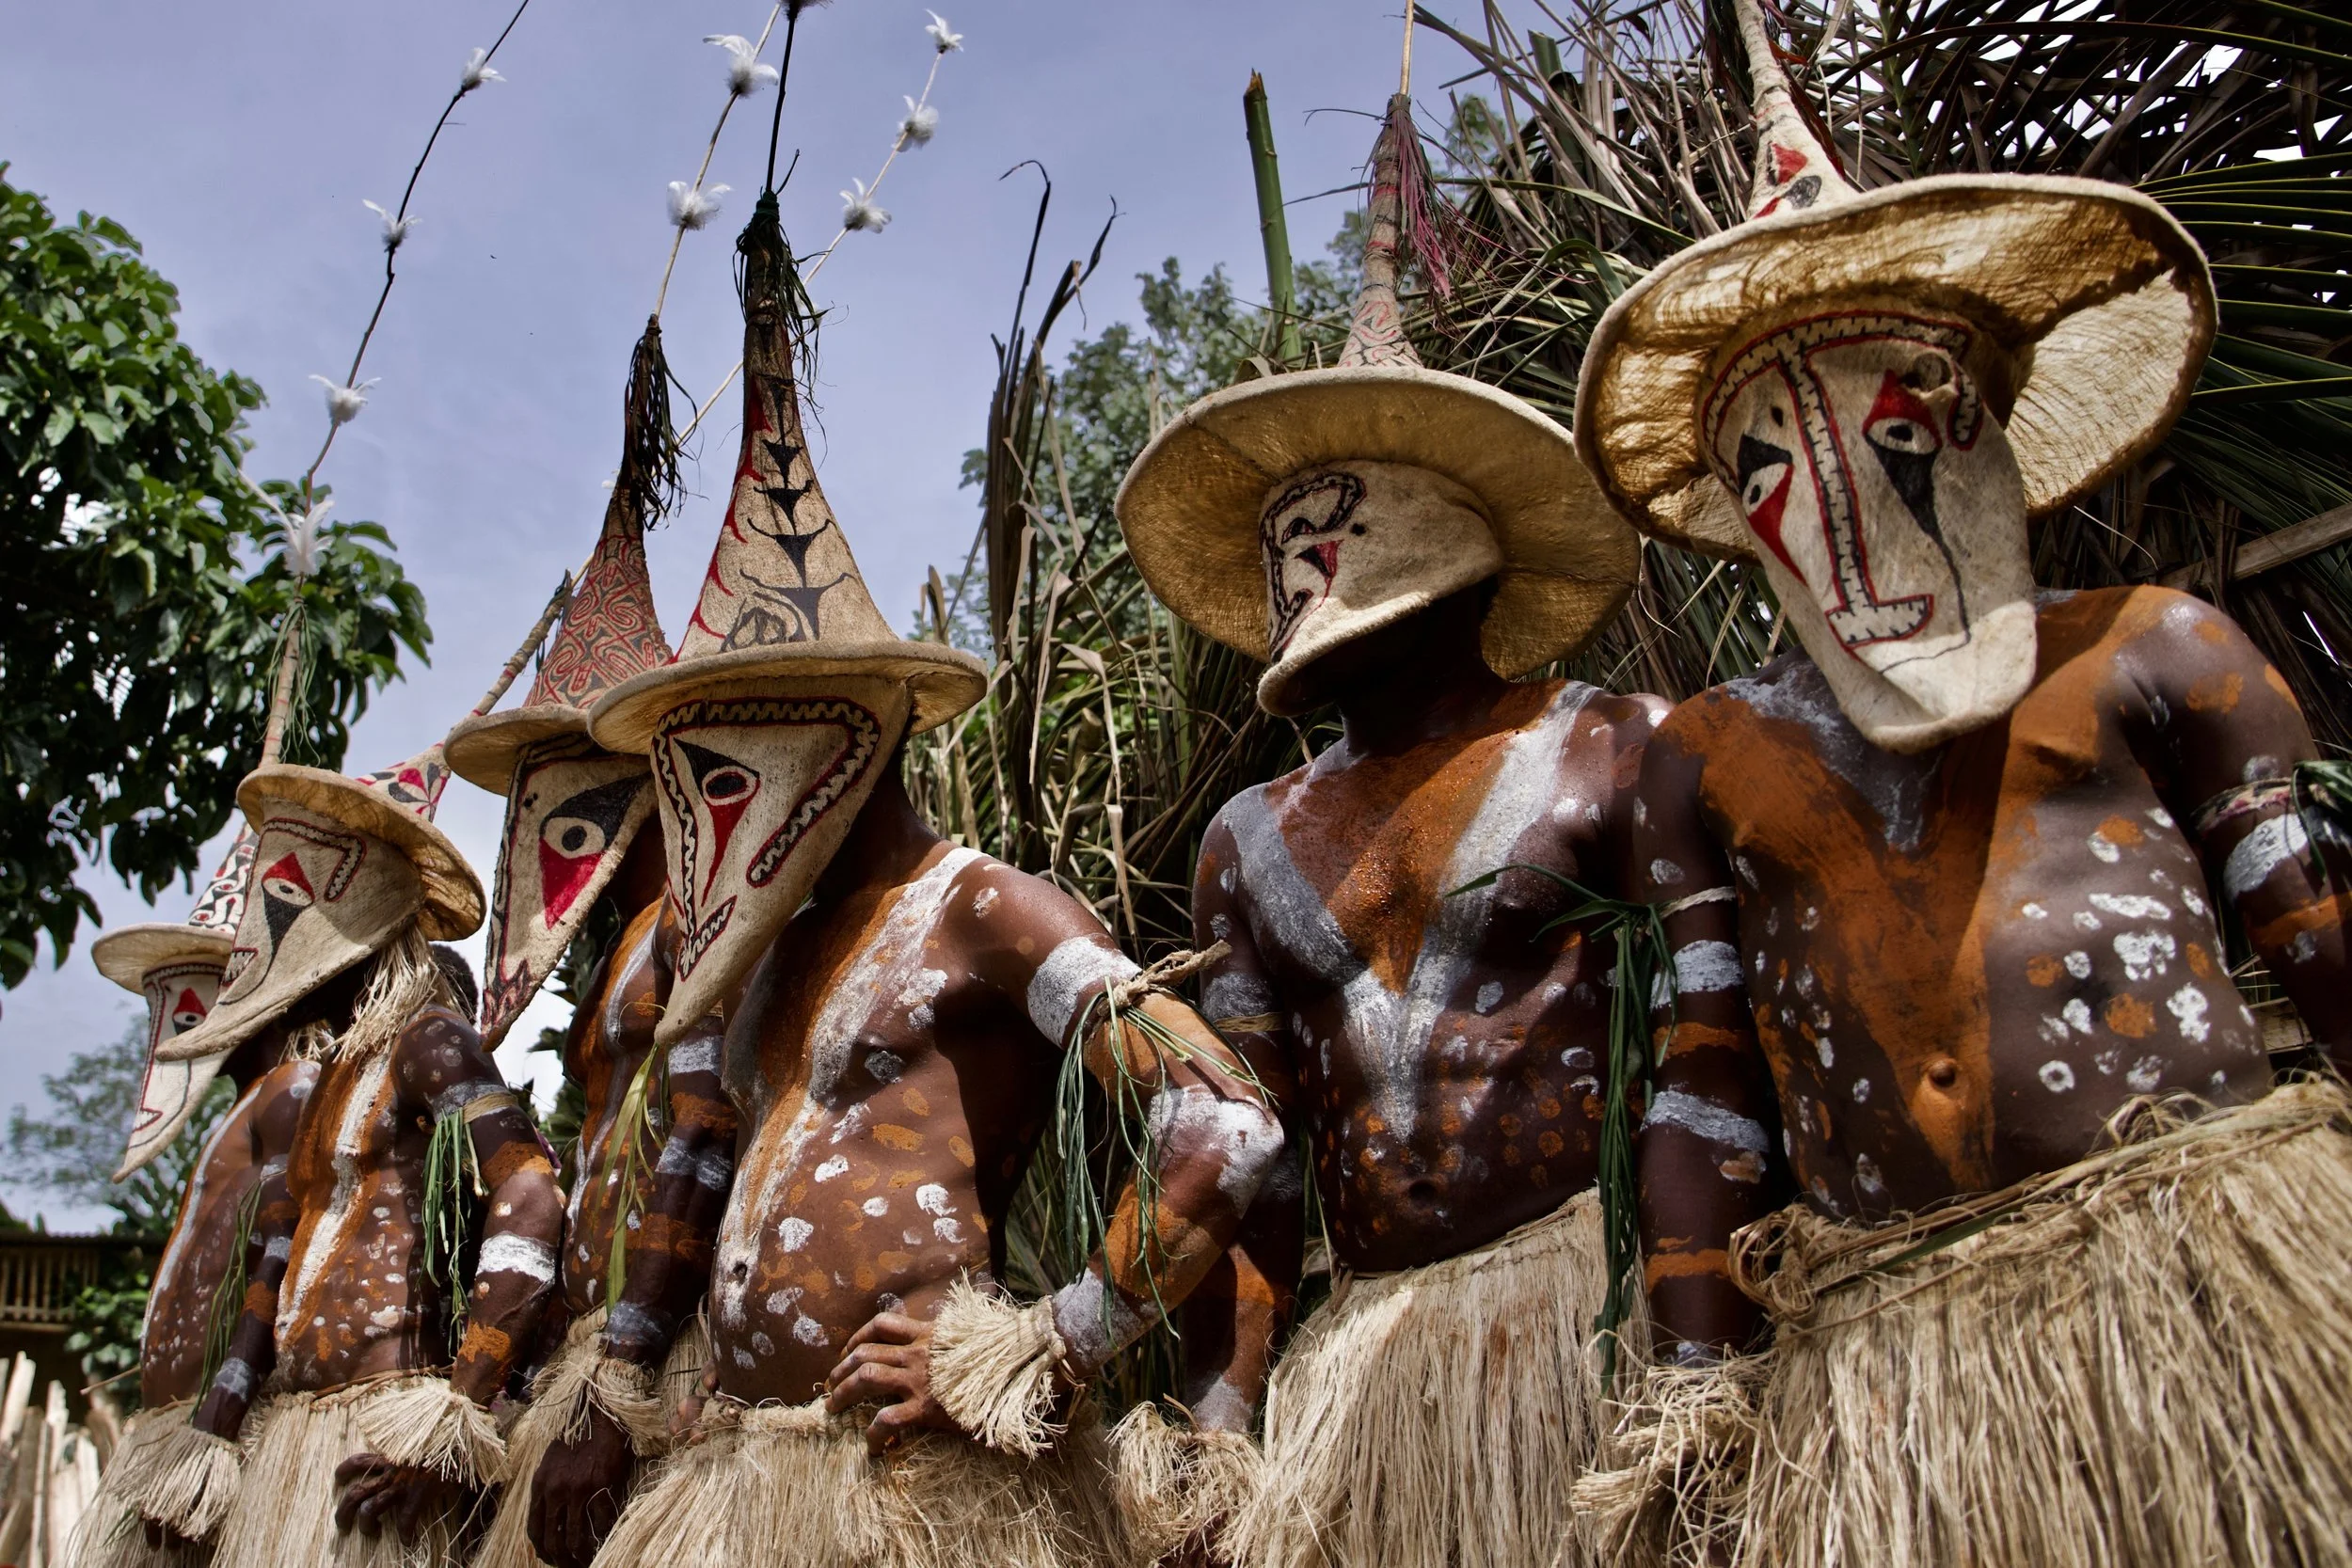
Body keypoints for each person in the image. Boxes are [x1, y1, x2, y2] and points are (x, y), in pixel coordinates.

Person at [1575, 3, 2352, 1562]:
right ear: (1736, 505)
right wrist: (1696, 1388)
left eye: (1894, 420)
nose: (1849, 512)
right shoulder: (1706, 754)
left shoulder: (2154, 651)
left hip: (2204, 1283)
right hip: (1902, 1363)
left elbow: (2322, 936)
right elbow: (1706, 1073)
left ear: (1977, 421)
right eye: (1776, 464)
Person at [572, 188, 1285, 1568]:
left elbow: (1226, 1124)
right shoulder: (762, 950)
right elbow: (699, 1154)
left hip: (917, 1493)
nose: (711, 804)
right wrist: (616, 1382)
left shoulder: (982, 910)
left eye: (740, 752)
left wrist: (1038, 1343)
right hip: (732, 1480)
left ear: (851, 734)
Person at [1113, 91, 1654, 1568]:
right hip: (1373, 1370)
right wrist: (1220, 1426)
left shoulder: (1609, 748)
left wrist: (1712, 1351)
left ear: (1460, 571)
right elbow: (1258, 1151)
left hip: (1592, 1321)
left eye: (1345, 551)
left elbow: (1722, 1052)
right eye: (1297, 554)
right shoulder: (1249, 835)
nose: (1313, 594)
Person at [442, 323, 725, 1568]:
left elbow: (707, 1135)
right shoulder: (632, 949)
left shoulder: (708, 926)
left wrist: (626, 1376)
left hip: (673, 1367)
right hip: (597, 1361)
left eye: (573, 787)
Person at [147, 746, 564, 1568]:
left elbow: (531, 1189)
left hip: (380, 1432)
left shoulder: (431, 1043)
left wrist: (454, 1421)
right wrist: (209, 1443)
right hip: (295, 1443)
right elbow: (271, 1273)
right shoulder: (321, 1084)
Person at [69, 833, 322, 1568]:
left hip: (219, 1431)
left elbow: (276, 1261)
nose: (181, 1016)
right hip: (170, 1422)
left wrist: (220, 1417)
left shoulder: (293, 1089)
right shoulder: (246, 1104)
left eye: (196, 991)